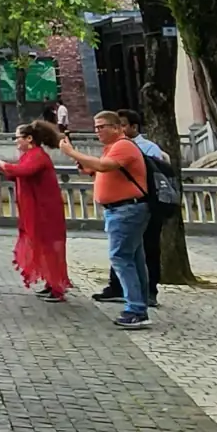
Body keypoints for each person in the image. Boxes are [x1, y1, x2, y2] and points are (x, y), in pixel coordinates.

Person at [63, 112, 150, 329]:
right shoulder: (111, 148)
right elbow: (99, 169)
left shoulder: (123, 146)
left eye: (101, 127)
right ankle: (140, 303)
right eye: (95, 127)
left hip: (126, 209)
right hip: (121, 209)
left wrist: (72, 152)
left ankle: (136, 309)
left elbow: (104, 166)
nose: (97, 131)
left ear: (117, 127)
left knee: (120, 257)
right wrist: (84, 165)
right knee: (133, 257)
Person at [95, 110, 180, 308]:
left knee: (142, 250)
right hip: (127, 206)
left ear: (133, 127)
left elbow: (152, 176)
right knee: (129, 252)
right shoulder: (114, 147)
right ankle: (122, 291)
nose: (121, 129)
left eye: (123, 125)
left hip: (142, 204)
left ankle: (144, 297)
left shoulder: (144, 148)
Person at [0, 121, 71, 301]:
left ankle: (56, 287)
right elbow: (19, 173)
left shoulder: (37, 155)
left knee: (50, 247)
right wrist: (5, 169)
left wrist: (2, 165)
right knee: (43, 246)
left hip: (45, 211)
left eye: (17, 137)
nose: (16, 141)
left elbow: (23, 171)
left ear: (29, 138)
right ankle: (51, 283)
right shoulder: (31, 155)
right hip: (37, 209)